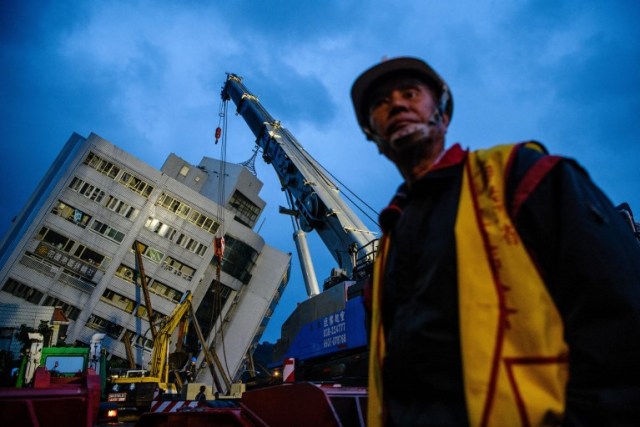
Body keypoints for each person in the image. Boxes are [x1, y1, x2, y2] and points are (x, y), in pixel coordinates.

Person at [350, 57, 640, 426]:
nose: (397, 104)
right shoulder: (388, 251)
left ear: (443, 112)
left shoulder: (520, 178)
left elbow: (620, 321)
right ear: (372, 135)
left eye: (411, 93)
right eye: (379, 103)